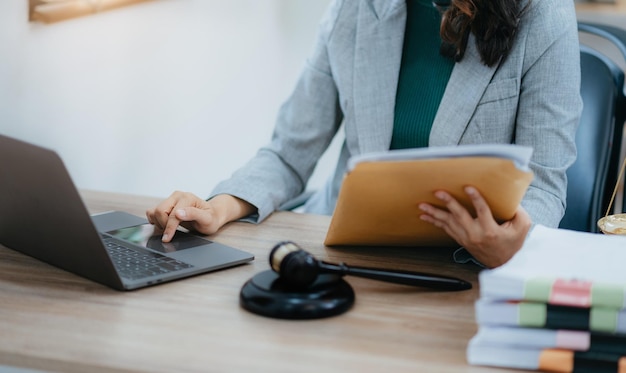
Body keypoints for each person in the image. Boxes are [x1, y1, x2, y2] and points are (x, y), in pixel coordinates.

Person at [146, 0, 582, 268]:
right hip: (344, 259)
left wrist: (512, 246)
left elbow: (543, 184)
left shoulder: (543, 12)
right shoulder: (355, 8)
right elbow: (287, 154)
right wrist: (217, 207)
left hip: (464, 266)